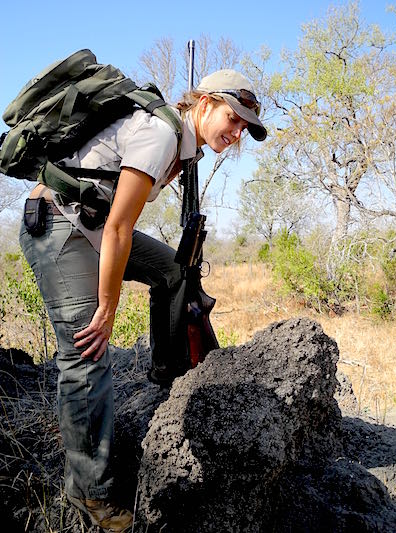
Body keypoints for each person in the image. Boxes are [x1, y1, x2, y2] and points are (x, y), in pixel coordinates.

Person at [19, 69, 267, 532]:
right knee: (87, 352)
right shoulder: (160, 134)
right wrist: (107, 309)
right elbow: (118, 229)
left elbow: (117, 224)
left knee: (173, 271)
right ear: (206, 102)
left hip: (91, 227)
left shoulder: (183, 145)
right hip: (59, 225)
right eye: (233, 120)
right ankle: (89, 491)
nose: (235, 135)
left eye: (243, 130)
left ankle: (167, 371)